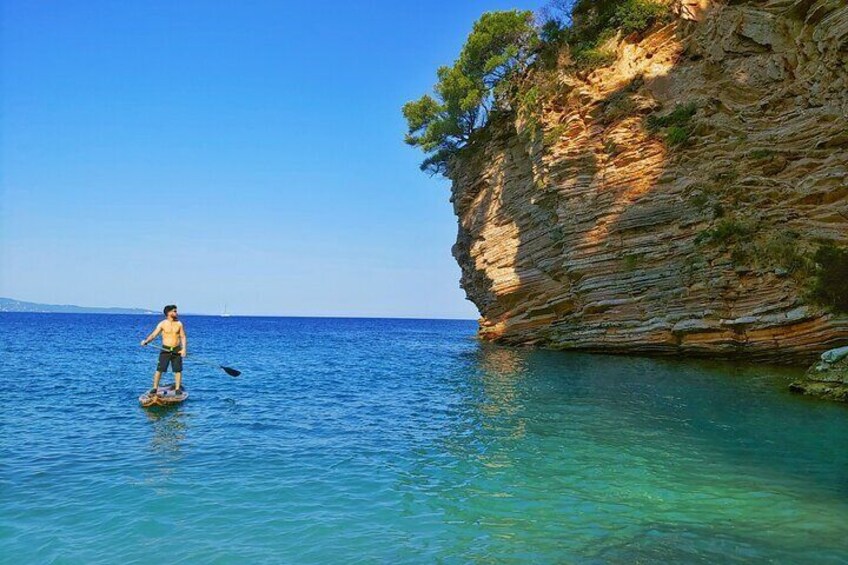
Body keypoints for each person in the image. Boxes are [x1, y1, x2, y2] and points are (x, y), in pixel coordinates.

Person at [141, 304, 187, 394]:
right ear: (169, 313)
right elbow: (154, 334)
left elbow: (183, 337)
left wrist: (184, 349)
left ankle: (177, 389)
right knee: (159, 369)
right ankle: (155, 388)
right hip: (165, 349)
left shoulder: (179, 324)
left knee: (178, 370)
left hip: (176, 349)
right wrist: (146, 341)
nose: (176, 313)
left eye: (176, 311)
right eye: (174, 311)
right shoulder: (162, 324)